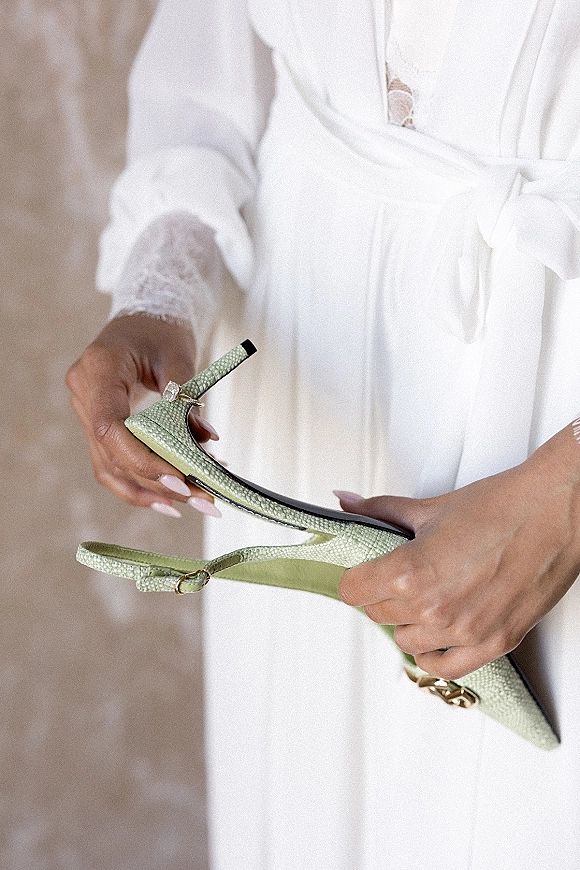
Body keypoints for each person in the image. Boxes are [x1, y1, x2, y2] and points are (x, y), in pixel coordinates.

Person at [66, 0, 580, 867]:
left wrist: (565, 494)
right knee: (311, 810)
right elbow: (208, 83)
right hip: (308, 364)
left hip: (553, 405)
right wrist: (160, 298)